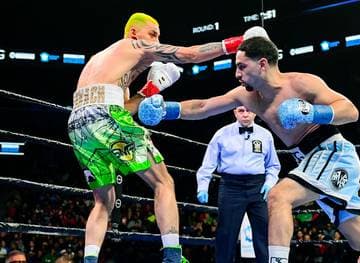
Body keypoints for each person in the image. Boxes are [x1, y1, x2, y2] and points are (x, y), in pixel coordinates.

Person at [137, 36, 360, 263]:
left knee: (278, 196)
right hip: (312, 161)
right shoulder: (248, 96)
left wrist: (315, 113)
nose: (237, 74)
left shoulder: (302, 83)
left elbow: (351, 110)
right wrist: (168, 109)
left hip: (333, 152)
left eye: (242, 67)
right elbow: (205, 106)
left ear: (262, 64)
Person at [67, 12, 269, 263]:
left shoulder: (102, 62)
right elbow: (191, 54)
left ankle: (89, 259)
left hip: (78, 124)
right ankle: (173, 255)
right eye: (153, 34)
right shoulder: (134, 44)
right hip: (105, 115)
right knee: (164, 182)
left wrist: (151, 88)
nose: (156, 40)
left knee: (103, 201)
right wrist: (241, 42)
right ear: (134, 33)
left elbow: (125, 107)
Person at [196, 106, 280, 262]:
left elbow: (273, 165)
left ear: (255, 111)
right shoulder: (221, 134)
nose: (246, 114)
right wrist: (202, 187)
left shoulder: (265, 135)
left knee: (264, 233)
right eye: (241, 110)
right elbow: (208, 164)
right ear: (235, 112)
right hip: (231, 187)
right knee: (226, 235)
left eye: (249, 110)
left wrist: (269, 182)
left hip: (258, 187)